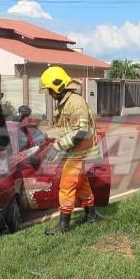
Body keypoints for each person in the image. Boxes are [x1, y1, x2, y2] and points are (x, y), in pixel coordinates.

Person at [39, 66, 101, 235]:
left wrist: (57, 147)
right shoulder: (65, 103)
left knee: (66, 186)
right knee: (81, 185)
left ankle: (63, 226)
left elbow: (80, 132)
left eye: (50, 90)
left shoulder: (75, 103)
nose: (50, 94)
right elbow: (66, 129)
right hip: (78, 151)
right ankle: (91, 216)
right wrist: (45, 135)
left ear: (58, 86)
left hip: (81, 151)